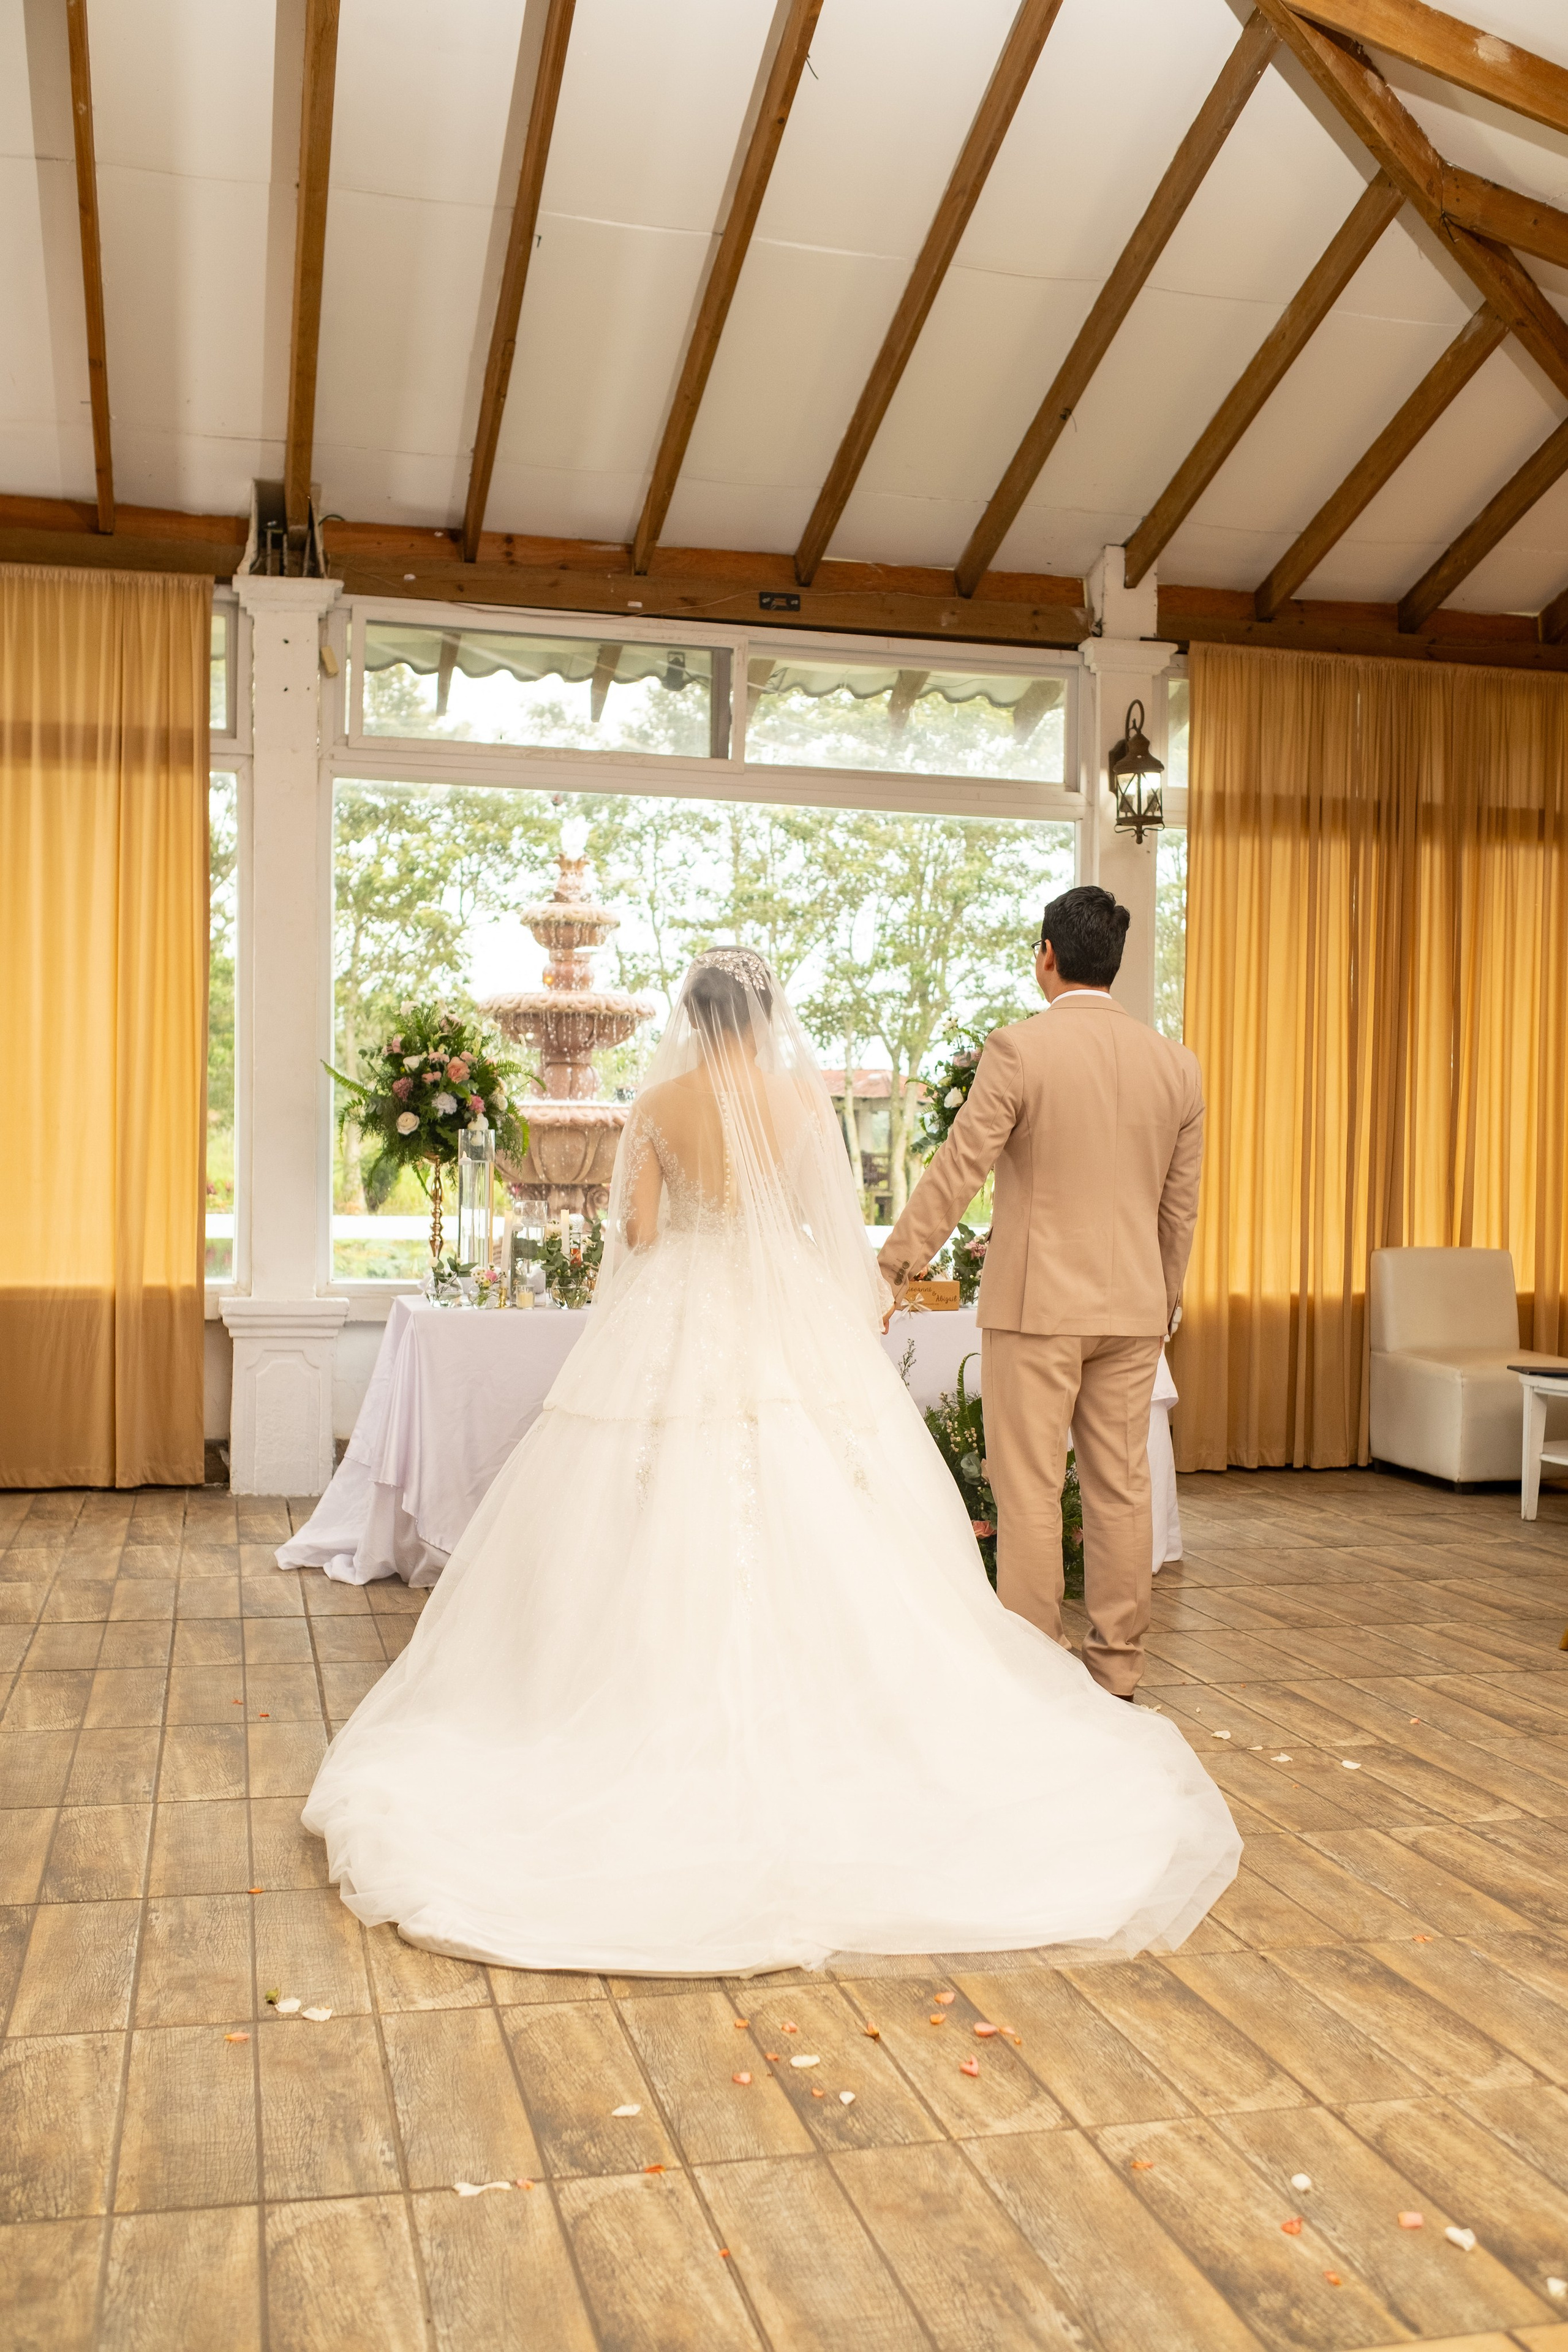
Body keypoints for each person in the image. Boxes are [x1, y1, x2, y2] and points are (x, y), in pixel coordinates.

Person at [303, 946, 1237, 1975]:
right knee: (891, 1487)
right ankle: (1097, 1663)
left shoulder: (658, 1099)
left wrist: (661, 1221)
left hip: (682, 1307)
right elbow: (821, 1217)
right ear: (764, 1017)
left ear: (690, 1018)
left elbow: (641, 1231)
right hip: (791, 1303)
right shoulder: (799, 1099)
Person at [879, 886, 1204, 1702]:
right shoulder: (1177, 1066)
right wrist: (1160, 1305)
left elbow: (960, 1170)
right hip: (1133, 1310)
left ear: (1046, 957)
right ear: (1113, 964)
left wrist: (893, 1266)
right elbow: (1180, 1208)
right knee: (1120, 1488)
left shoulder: (1021, 1050)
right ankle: (1119, 1671)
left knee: (1027, 1492)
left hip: (1037, 1309)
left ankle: (1035, 1679)